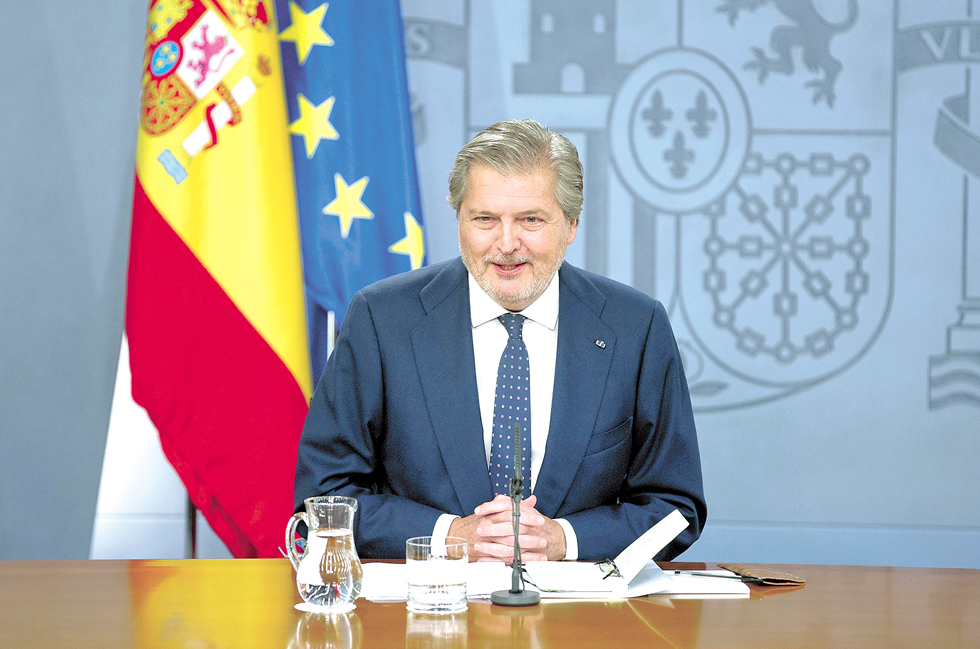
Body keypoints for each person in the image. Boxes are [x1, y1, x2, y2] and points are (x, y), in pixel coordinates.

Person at [295, 118, 706, 562]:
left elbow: (675, 508)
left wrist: (563, 540)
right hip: (427, 600)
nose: (506, 244)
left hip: (581, 605)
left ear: (571, 224)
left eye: (531, 219)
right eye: (485, 219)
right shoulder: (381, 319)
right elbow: (324, 497)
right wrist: (449, 536)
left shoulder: (635, 327)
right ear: (459, 221)